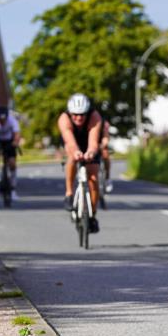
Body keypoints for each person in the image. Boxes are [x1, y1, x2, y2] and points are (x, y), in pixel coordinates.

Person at [57, 93, 103, 233]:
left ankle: (92, 214)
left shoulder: (95, 117)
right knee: (72, 157)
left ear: (87, 112)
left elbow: (93, 141)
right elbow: (70, 141)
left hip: (89, 143)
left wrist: (91, 153)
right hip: (72, 142)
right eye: (75, 114)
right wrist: (76, 152)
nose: (79, 118)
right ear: (70, 113)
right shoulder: (64, 119)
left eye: (82, 114)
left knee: (93, 178)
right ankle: (69, 193)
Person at [0, 106, 22, 199]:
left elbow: (17, 134)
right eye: (0, 119)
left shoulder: (12, 120)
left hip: (9, 140)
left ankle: (13, 189)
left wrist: (15, 142)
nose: (2, 121)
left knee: (12, 164)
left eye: (4, 119)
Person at [101, 118, 113, 193]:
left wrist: (101, 146)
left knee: (105, 154)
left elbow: (106, 138)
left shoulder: (104, 123)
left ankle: (107, 178)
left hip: (100, 145)